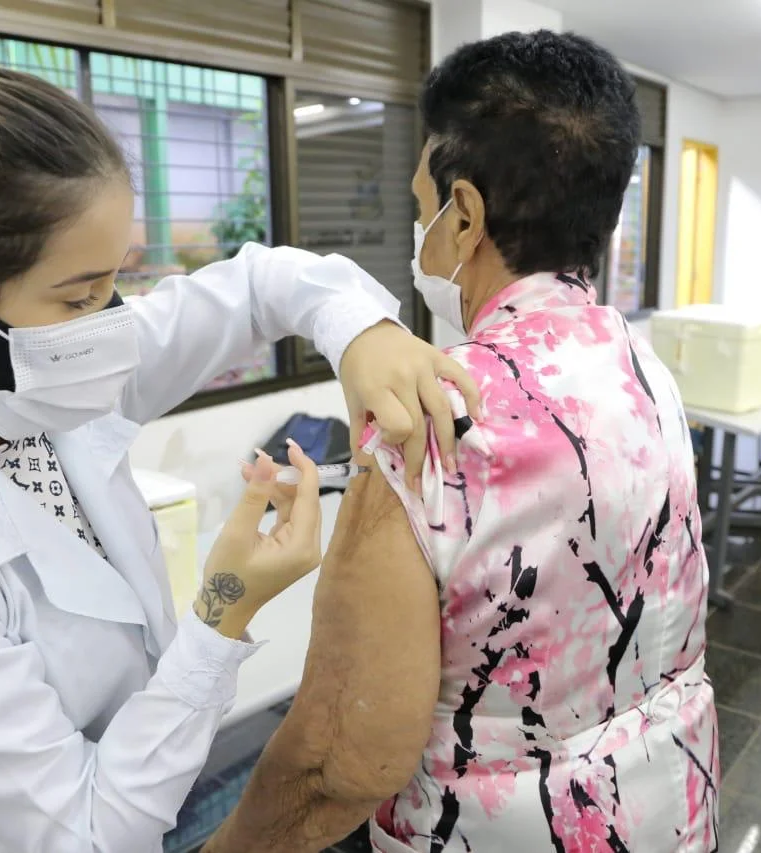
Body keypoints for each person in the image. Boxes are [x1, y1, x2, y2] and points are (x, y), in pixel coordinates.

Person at [0, 54, 480, 853]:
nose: (112, 323)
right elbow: (88, 830)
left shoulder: (43, 375)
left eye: (115, 282)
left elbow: (264, 284)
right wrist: (223, 607)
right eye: (79, 296)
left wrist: (363, 333)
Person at [204, 31, 718, 853]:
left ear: (466, 214)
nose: (420, 232)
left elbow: (345, 757)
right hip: (668, 800)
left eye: (421, 210)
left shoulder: (435, 421)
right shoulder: (641, 364)